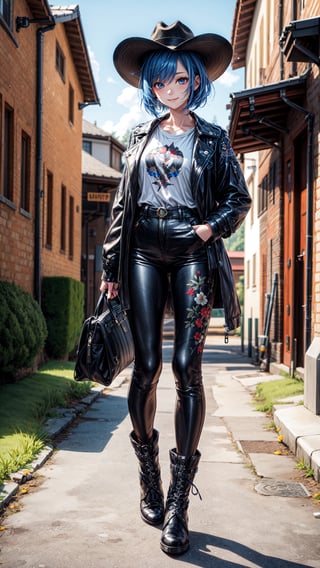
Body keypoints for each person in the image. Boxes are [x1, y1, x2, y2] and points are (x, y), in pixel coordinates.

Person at [100, 21, 251, 556]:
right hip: (142, 252)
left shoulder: (212, 138)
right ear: (152, 87)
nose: (171, 89)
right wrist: (111, 267)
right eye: (161, 81)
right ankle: (148, 474)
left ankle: (179, 502)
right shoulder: (140, 137)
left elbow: (239, 198)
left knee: (188, 367)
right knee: (145, 367)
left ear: (195, 83)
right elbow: (123, 205)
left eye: (181, 79)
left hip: (191, 251)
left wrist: (210, 228)